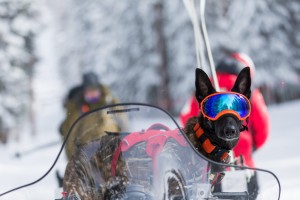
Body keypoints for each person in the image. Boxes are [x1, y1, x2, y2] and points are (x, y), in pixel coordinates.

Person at [179, 52, 270, 198]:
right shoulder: (247, 92)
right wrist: (249, 147)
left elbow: (187, 120)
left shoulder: (206, 88)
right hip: (242, 165)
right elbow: (263, 129)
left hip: (209, 170)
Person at [59, 72, 120, 160]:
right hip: (87, 158)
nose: (92, 95)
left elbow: (123, 125)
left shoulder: (110, 103)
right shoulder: (77, 108)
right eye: (89, 92)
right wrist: (73, 160)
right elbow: (71, 135)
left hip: (111, 154)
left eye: (94, 92)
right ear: (84, 92)